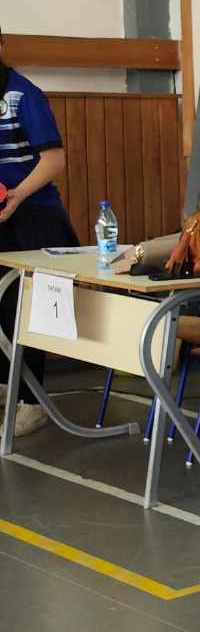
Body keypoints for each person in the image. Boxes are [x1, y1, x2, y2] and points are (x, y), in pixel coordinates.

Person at [0, 25, 78, 438]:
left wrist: (17, 195)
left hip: (33, 216)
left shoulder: (23, 94)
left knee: (23, 309)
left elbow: (54, 160)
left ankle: (32, 403)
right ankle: (6, 386)